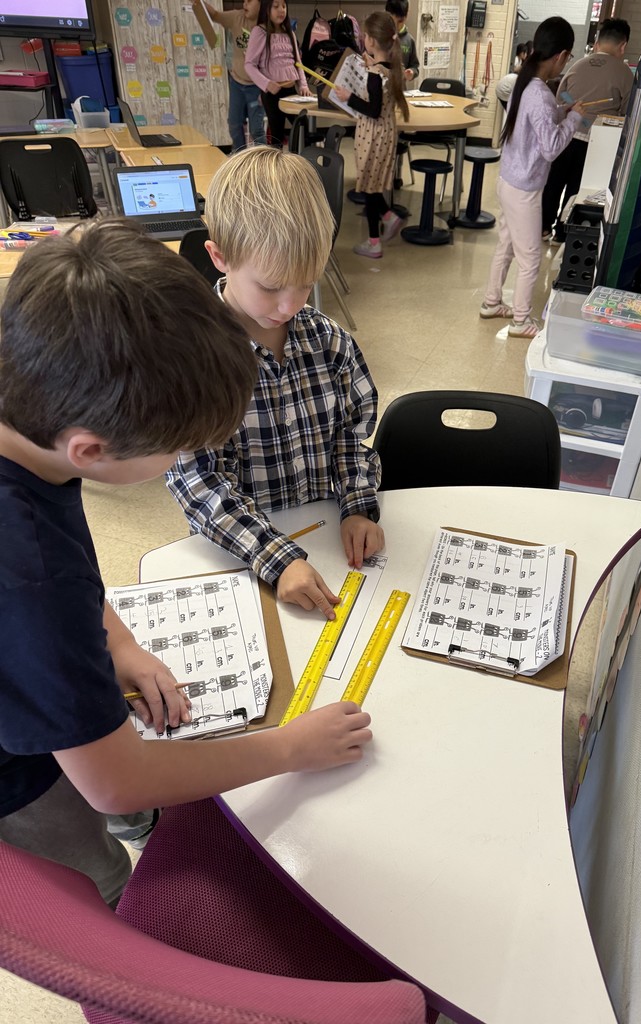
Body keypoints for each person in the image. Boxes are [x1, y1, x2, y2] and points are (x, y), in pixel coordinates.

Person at [0, 219, 373, 908]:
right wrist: (288, 748)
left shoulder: (33, 416)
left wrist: (116, 641)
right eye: (174, 450)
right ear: (87, 449)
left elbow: (63, 574)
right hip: (18, 784)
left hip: (45, 676)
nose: (180, 460)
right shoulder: (32, 577)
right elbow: (116, 781)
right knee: (95, 887)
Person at [166, 147, 385, 619]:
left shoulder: (330, 343)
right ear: (219, 256)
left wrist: (358, 505)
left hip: (324, 543)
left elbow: (349, 438)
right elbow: (199, 484)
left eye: (305, 284)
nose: (289, 305)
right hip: (240, 558)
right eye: (270, 286)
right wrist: (277, 559)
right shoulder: (192, 362)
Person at [479, 17, 585, 337]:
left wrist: (565, 110)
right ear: (562, 55)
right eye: (568, 58)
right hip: (523, 188)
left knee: (507, 247)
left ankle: (491, 302)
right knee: (530, 260)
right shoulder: (538, 92)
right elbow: (551, 146)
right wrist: (576, 117)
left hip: (508, 179)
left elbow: (541, 122)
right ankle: (521, 321)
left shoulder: (524, 82)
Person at [541, 18, 634, 241]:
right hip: (598, 144)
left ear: (597, 42)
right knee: (578, 189)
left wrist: (578, 115)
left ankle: (543, 228)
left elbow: (560, 97)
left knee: (554, 184)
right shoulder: (625, 74)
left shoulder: (576, 66)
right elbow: (626, 113)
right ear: (623, 46)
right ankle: (563, 233)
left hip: (566, 136)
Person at [333, 11, 410, 259]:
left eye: (365, 35)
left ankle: (374, 241)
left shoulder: (376, 75)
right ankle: (389, 217)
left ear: (372, 41)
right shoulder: (391, 67)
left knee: (368, 186)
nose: (364, 39)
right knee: (373, 186)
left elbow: (372, 110)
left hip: (372, 134)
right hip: (385, 134)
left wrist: (349, 97)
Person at [196, 0, 267, 151]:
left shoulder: (267, 26)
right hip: (237, 83)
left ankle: (263, 160)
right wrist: (200, 3)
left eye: (249, 1)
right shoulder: (237, 17)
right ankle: (240, 157)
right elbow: (215, 15)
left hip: (256, 87)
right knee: (234, 123)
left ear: (261, 4)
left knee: (256, 129)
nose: (245, 4)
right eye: (244, 1)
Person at [244, 0, 310, 147]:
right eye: (276, 6)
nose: (281, 10)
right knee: (277, 136)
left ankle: (296, 163)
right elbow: (249, 64)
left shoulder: (290, 33)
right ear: (267, 10)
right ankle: (276, 168)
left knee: (303, 128)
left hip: (292, 92)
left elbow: (298, 63)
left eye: (284, 6)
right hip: (272, 94)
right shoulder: (259, 32)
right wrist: (266, 84)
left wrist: (303, 85)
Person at [385, 0, 420, 83]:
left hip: (400, 91)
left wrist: (412, 72)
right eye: (392, 21)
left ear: (406, 16)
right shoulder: (379, 37)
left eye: (400, 21)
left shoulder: (410, 41)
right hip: (379, 91)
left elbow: (414, 66)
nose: (396, 25)